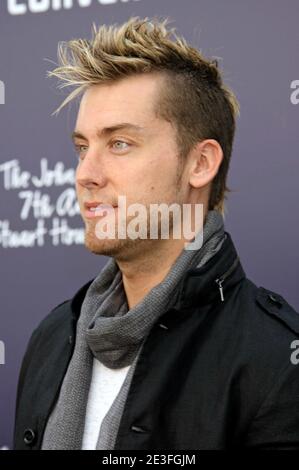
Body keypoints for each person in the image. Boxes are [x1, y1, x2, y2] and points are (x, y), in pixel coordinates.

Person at [14, 17, 299, 450]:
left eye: (119, 143)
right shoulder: (52, 339)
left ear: (200, 164)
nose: (85, 174)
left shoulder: (276, 360)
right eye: (82, 147)